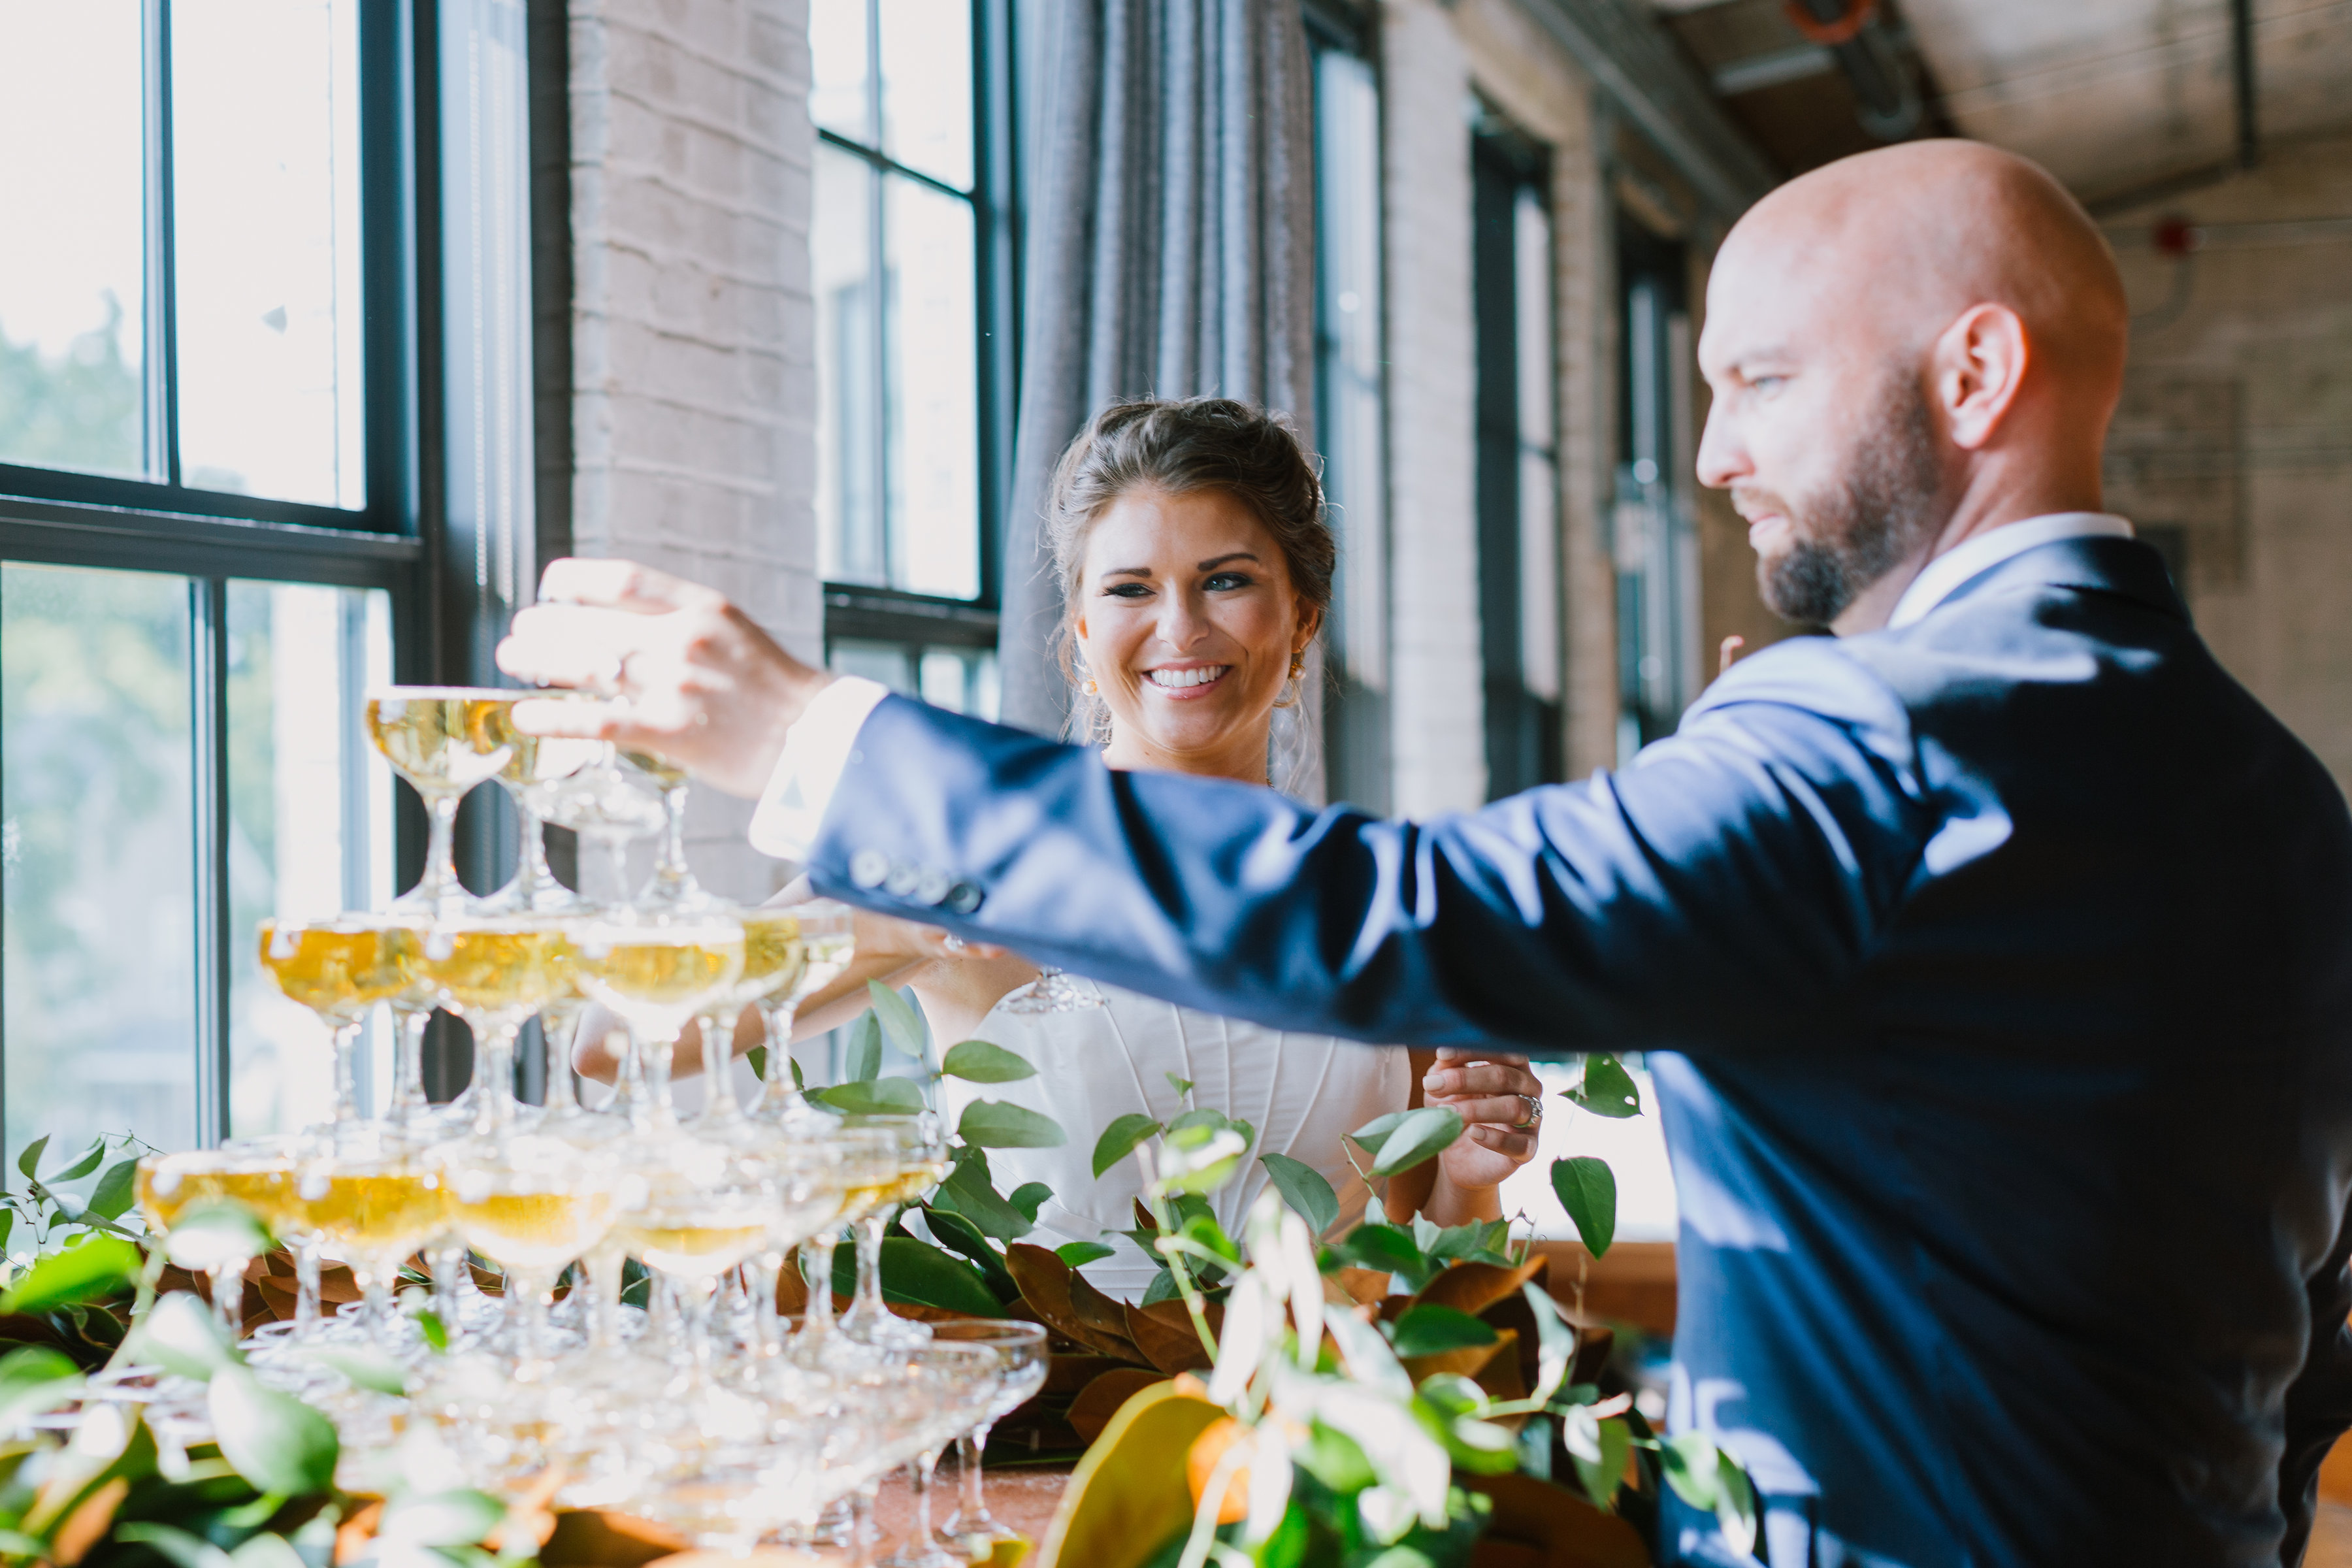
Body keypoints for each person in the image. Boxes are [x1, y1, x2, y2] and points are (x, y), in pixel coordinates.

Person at [501, 139, 2352, 1568]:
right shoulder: (2272, 784)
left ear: (1973, 373)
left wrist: (806, 737)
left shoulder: (1869, 735)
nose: (1710, 455)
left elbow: (1416, 915)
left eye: (1763, 381)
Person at [576, 400, 1545, 1297]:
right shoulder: (983, 864)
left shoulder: (1375, 897)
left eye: (1228, 581)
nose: (1180, 628)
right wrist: (889, 906)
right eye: (1132, 588)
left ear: (1302, 620)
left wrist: (1470, 1175)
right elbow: (614, 1042)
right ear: (1082, 635)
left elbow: (1431, 1281)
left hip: (1315, 1451)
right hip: (1047, 1446)